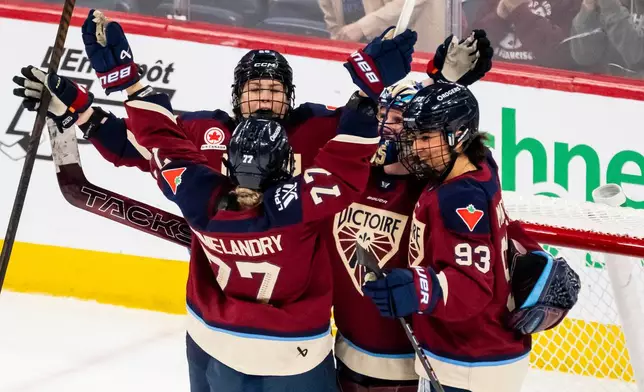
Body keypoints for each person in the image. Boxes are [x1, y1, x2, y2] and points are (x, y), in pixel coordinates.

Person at [109, 79, 381, 390]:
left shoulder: (200, 200)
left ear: (227, 163)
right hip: (293, 353)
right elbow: (344, 167)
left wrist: (130, 84)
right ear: (287, 166)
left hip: (216, 343)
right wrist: (367, 93)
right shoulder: (298, 210)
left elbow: (163, 144)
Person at [12, 9, 416, 177]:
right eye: (255, 89)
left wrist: (379, 90)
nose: (263, 99)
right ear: (236, 97)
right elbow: (131, 147)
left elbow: (379, 139)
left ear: (290, 97)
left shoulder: (318, 124)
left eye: (274, 90)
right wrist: (78, 106)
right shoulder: (206, 129)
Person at [361, 82, 580, 392]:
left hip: (472, 362)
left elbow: (473, 286)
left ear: (459, 136)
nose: (417, 147)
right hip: (479, 354)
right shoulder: (480, 164)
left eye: (426, 137)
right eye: (415, 137)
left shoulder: (460, 199)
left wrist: (419, 289)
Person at [331, 32, 494, 392]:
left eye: (401, 120)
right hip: (341, 356)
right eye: (380, 115)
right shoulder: (346, 171)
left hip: (412, 366)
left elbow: (479, 170)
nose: (386, 127)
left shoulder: (439, 186)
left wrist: (445, 82)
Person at [318, 0, 445, 52]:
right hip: (362, 61)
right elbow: (333, 24)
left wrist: (363, 27)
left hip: (408, 54)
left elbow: (411, 3)